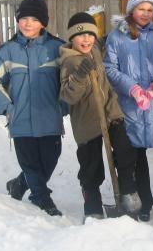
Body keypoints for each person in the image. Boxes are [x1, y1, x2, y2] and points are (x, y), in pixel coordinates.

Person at [0, 0, 66, 216]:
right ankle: (42, 199)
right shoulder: (8, 51)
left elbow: (69, 81)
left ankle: (18, 185)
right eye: (24, 18)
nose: (28, 23)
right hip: (21, 119)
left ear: (43, 23)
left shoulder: (57, 49)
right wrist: (8, 108)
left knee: (48, 161)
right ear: (18, 20)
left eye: (34, 19)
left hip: (49, 118)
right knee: (29, 163)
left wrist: (63, 106)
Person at [58, 12, 144, 221]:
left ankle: (127, 190)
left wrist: (123, 26)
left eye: (90, 34)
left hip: (110, 113)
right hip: (87, 123)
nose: (86, 39)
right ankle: (92, 201)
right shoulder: (69, 62)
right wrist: (79, 77)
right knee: (91, 166)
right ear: (71, 38)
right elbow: (67, 96)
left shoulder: (95, 49)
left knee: (125, 150)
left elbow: (107, 40)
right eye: (80, 36)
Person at [103, 0, 153, 222]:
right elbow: (109, 68)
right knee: (126, 152)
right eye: (142, 9)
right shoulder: (117, 36)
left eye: (150, 10)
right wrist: (132, 88)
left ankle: (144, 201)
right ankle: (130, 196)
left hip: (148, 105)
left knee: (139, 154)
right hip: (125, 106)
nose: (146, 14)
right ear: (131, 10)